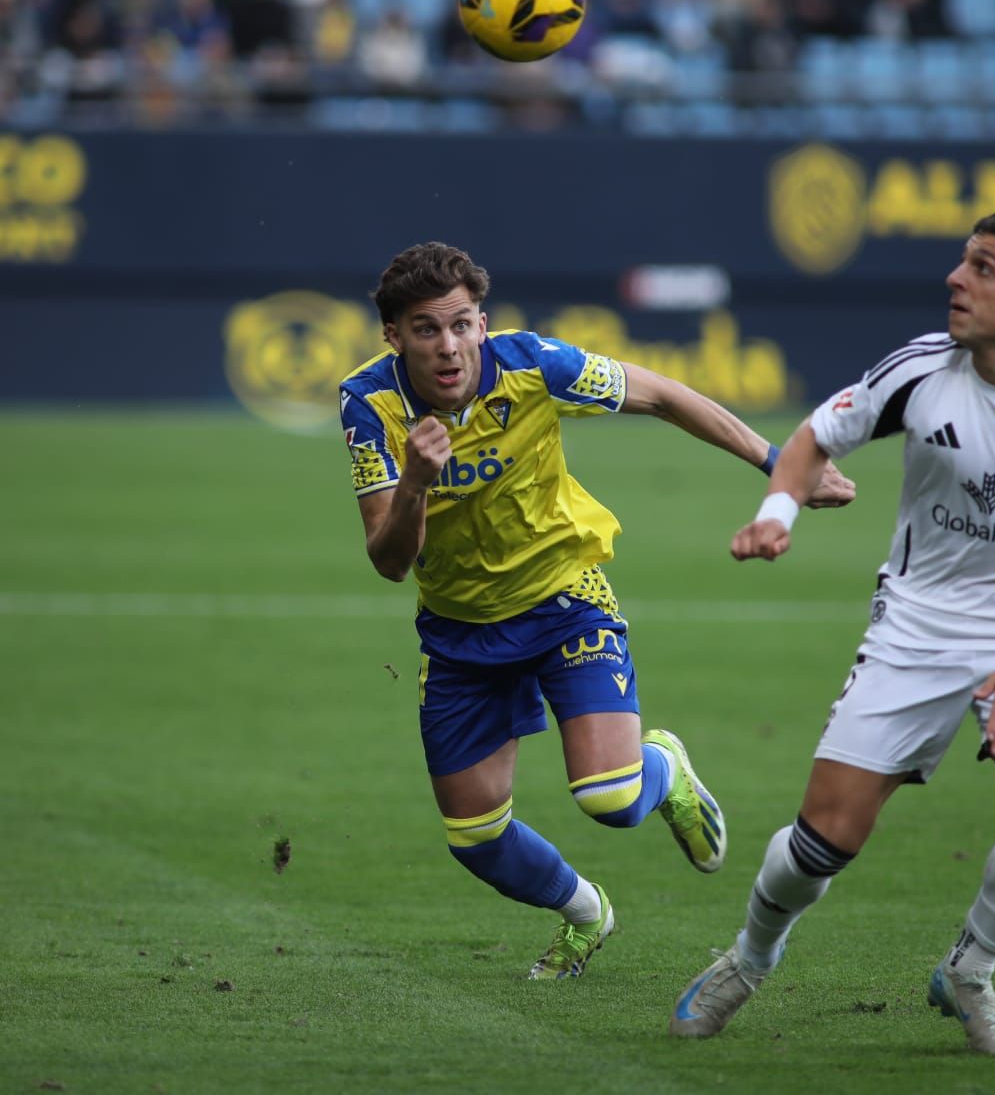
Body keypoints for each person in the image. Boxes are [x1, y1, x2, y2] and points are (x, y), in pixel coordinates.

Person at [668, 213, 995, 1055]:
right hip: (917, 631)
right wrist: (778, 512)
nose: (956, 280)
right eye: (963, 262)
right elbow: (817, 435)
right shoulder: (920, 372)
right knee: (821, 845)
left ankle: (969, 971)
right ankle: (749, 958)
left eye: (984, 270)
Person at [342, 242, 855, 980]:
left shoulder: (533, 364)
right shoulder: (370, 406)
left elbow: (665, 396)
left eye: (460, 324)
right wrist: (417, 483)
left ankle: (664, 768)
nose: (448, 346)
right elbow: (390, 562)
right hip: (459, 632)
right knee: (475, 839)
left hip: (563, 597)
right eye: (426, 329)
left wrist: (780, 464)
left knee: (611, 797)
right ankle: (586, 914)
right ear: (393, 337)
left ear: (482, 324)